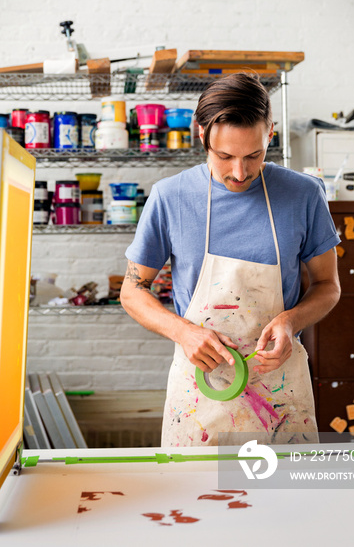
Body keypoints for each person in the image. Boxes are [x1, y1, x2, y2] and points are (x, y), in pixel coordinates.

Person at [120, 72, 341, 446]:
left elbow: (327, 286)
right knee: (194, 503)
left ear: (270, 134)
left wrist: (290, 321)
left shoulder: (304, 195)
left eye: (254, 155)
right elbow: (132, 289)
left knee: (289, 503)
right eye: (225, 157)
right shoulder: (170, 198)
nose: (240, 173)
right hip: (200, 394)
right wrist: (183, 332)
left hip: (279, 393)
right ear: (201, 134)